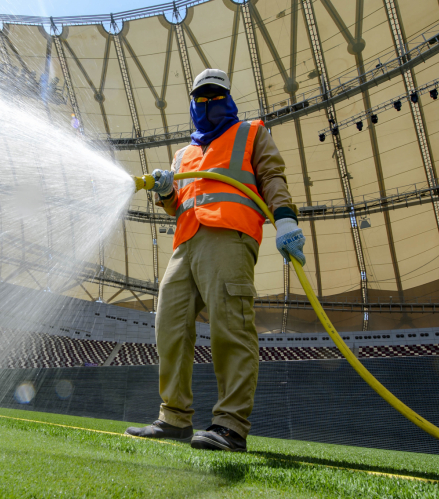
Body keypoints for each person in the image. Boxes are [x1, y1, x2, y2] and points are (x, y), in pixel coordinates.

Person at [125, 69, 305, 452]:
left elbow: (272, 175)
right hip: (186, 241)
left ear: (228, 98)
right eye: (200, 98)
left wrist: (285, 217)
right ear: (192, 102)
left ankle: (230, 425)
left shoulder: (251, 133)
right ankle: (174, 418)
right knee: (168, 326)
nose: (207, 104)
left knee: (230, 326)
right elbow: (179, 204)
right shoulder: (184, 153)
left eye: (214, 96)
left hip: (229, 237)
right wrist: (167, 191)